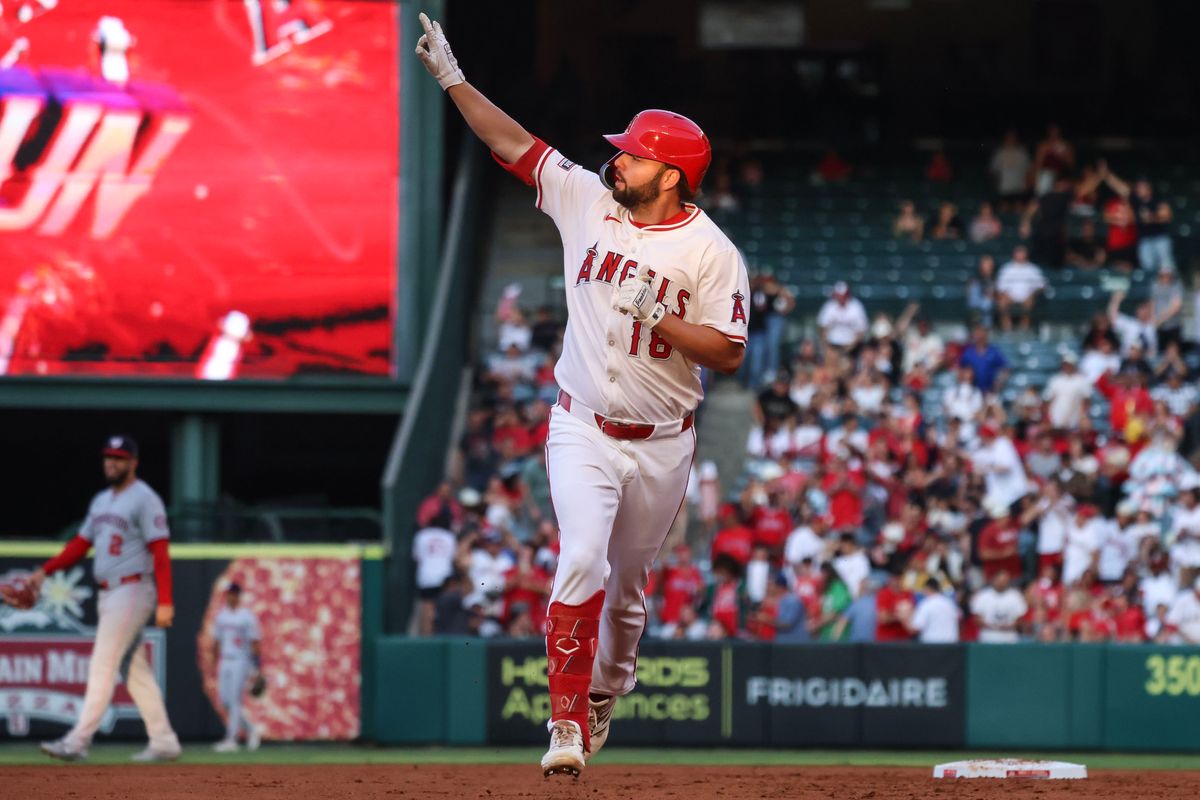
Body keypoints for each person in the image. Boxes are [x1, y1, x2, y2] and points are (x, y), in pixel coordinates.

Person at [415, 13, 749, 778]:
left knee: (627, 597)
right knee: (581, 559)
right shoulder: (585, 202)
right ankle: (565, 724)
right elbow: (512, 144)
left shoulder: (711, 252)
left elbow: (728, 351)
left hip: (664, 440)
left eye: (632, 155)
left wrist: (660, 317)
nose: (617, 160)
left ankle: (605, 690)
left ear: (671, 175)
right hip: (583, 428)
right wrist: (454, 81)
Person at [23, 436, 182, 762]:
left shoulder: (145, 498)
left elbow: (161, 552)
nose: (112, 463)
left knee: (102, 665)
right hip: (110, 592)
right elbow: (80, 544)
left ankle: (77, 741)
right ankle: (164, 740)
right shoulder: (101, 501)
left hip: (132, 589)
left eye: (120, 458)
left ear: (133, 462)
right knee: (135, 672)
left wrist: (166, 600)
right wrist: (45, 571)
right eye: (108, 457)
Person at [209, 582, 264, 752]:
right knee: (224, 701)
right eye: (229, 593)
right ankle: (251, 729)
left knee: (234, 701)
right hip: (225, 659)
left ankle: (231, 739)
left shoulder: (246, 616)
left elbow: (255, 642)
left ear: (239, 595)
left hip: (241, 660)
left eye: (234, 593)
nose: (231, 596)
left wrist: (256, 668)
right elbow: (217, 640)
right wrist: (214, 660)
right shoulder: (222, 616)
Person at [412, 510, 458, 635]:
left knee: (427, 609)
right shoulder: (449, 536)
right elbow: (454, 558)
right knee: (445, 609)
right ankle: (443, 637)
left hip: (426, 575)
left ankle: (427, 641)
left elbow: (417, 557)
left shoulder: (421, 535)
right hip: (445, 575)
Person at [995, 245, 1046, 332]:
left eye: (1022, 252)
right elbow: (999, 287)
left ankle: (1024, 330)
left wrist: (1032, 294)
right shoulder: (1007, 269)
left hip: (1027, 298)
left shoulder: (1033, 269)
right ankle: (1007, 331)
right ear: (1014, 254)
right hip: (1009, 298)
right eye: (1018, 252)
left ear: (1026, 254)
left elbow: (1042, 286)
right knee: (1001, 302)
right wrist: (1006, 296)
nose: (1020, 255)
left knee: (1030, 302)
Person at [971, 569, 1028, 643]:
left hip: (1010, 639)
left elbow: (1021, 619)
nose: (1002, 583)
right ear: (993, 580)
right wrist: (993, 626)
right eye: (1000, 580)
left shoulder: (1015, 595)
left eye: (1005, 581)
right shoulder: (982, 595)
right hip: (988, 639)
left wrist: (1009, 626)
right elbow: (976, 619)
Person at [816, 282, 868, 354]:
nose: (840, 298)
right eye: (838, 295)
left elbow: (861, 330)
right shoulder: (829, 306)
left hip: (852, 346)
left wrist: (852, 345)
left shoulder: (856, 307)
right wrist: (826, 347)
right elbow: (823, 328)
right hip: (832, 345)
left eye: (843, 296)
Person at [907, 578, 961, 643]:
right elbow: (959, 619)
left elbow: (915, 629)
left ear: (927, 589)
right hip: (951, 646)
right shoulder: (949, 603)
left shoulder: (926, 604)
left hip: (933, 647)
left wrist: (903, 617)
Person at [990, 129, 1031, 212]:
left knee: (1019, 208)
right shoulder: (999, 153)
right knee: (1003, 208)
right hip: (1004, 187)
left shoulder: (1022, 152)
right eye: (1008, 138)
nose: (1010, 140)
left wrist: (1028, 184)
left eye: (1012, 138)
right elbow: (993, 171)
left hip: (1019, 186)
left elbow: (1028, 170)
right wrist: (996, 184)